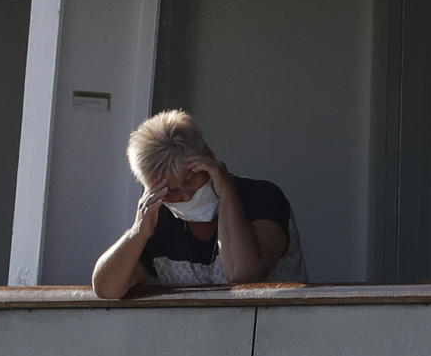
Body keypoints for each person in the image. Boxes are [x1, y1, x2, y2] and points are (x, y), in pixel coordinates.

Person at [92, 109, 307, 299]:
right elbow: (106, 289)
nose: (186, 197)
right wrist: (138, 233)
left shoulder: (262, 197)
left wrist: (226, 192)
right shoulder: (158, 220)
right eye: (171, 190)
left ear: (209, 158)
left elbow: (244, 275)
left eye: (190, 180)